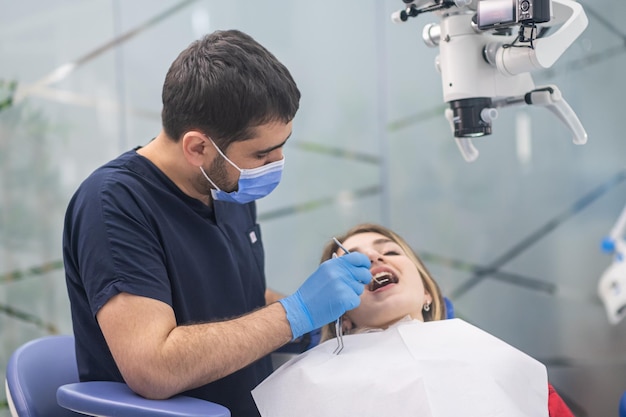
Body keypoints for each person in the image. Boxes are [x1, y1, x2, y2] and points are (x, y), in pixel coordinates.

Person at [62, 29, 372, 417]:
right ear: (198, 147)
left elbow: (233, 299)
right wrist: (296, 314)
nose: (276, 163)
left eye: (283, 146)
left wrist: (329, 320)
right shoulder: (114, 204)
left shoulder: (225, 185)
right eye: (261, 153)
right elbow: (153, 367)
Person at [253, 223, 576, 417]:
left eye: (390, 252)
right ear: (342, 315)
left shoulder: (501, 365)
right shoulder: (311, 384)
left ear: (428, 295)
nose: (374, 258)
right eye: (353, 261)